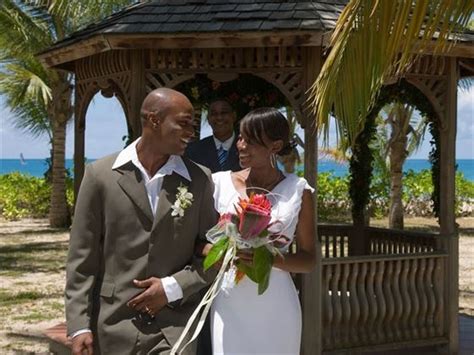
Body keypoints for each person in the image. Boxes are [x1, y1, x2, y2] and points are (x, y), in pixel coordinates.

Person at [65, 88, 217, 355]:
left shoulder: (200, 179)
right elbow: (82, 258)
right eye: (183, 123)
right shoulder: (100, 176)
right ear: (154, 120)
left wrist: (172, 287)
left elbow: (213, 253)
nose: (192, 132)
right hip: (112, 326)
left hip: (174, 329)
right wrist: (79, 326)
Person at [208, 107, 317, 354]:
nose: (241, 145)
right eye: (241, 137)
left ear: (275, 146)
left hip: (276, 305)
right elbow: (198, 242)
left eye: (251, 140)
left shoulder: (299, 190)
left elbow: (309, 260)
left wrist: (267, 258)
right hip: (229, 301)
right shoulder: (219, 183)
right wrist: (223, 254)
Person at [185, 99, 240, 173]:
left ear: (234, 116)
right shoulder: (193, 150)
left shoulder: (248, 147)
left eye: (224, 113)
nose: (219, 118)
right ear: (208, 119)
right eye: (214, 114)